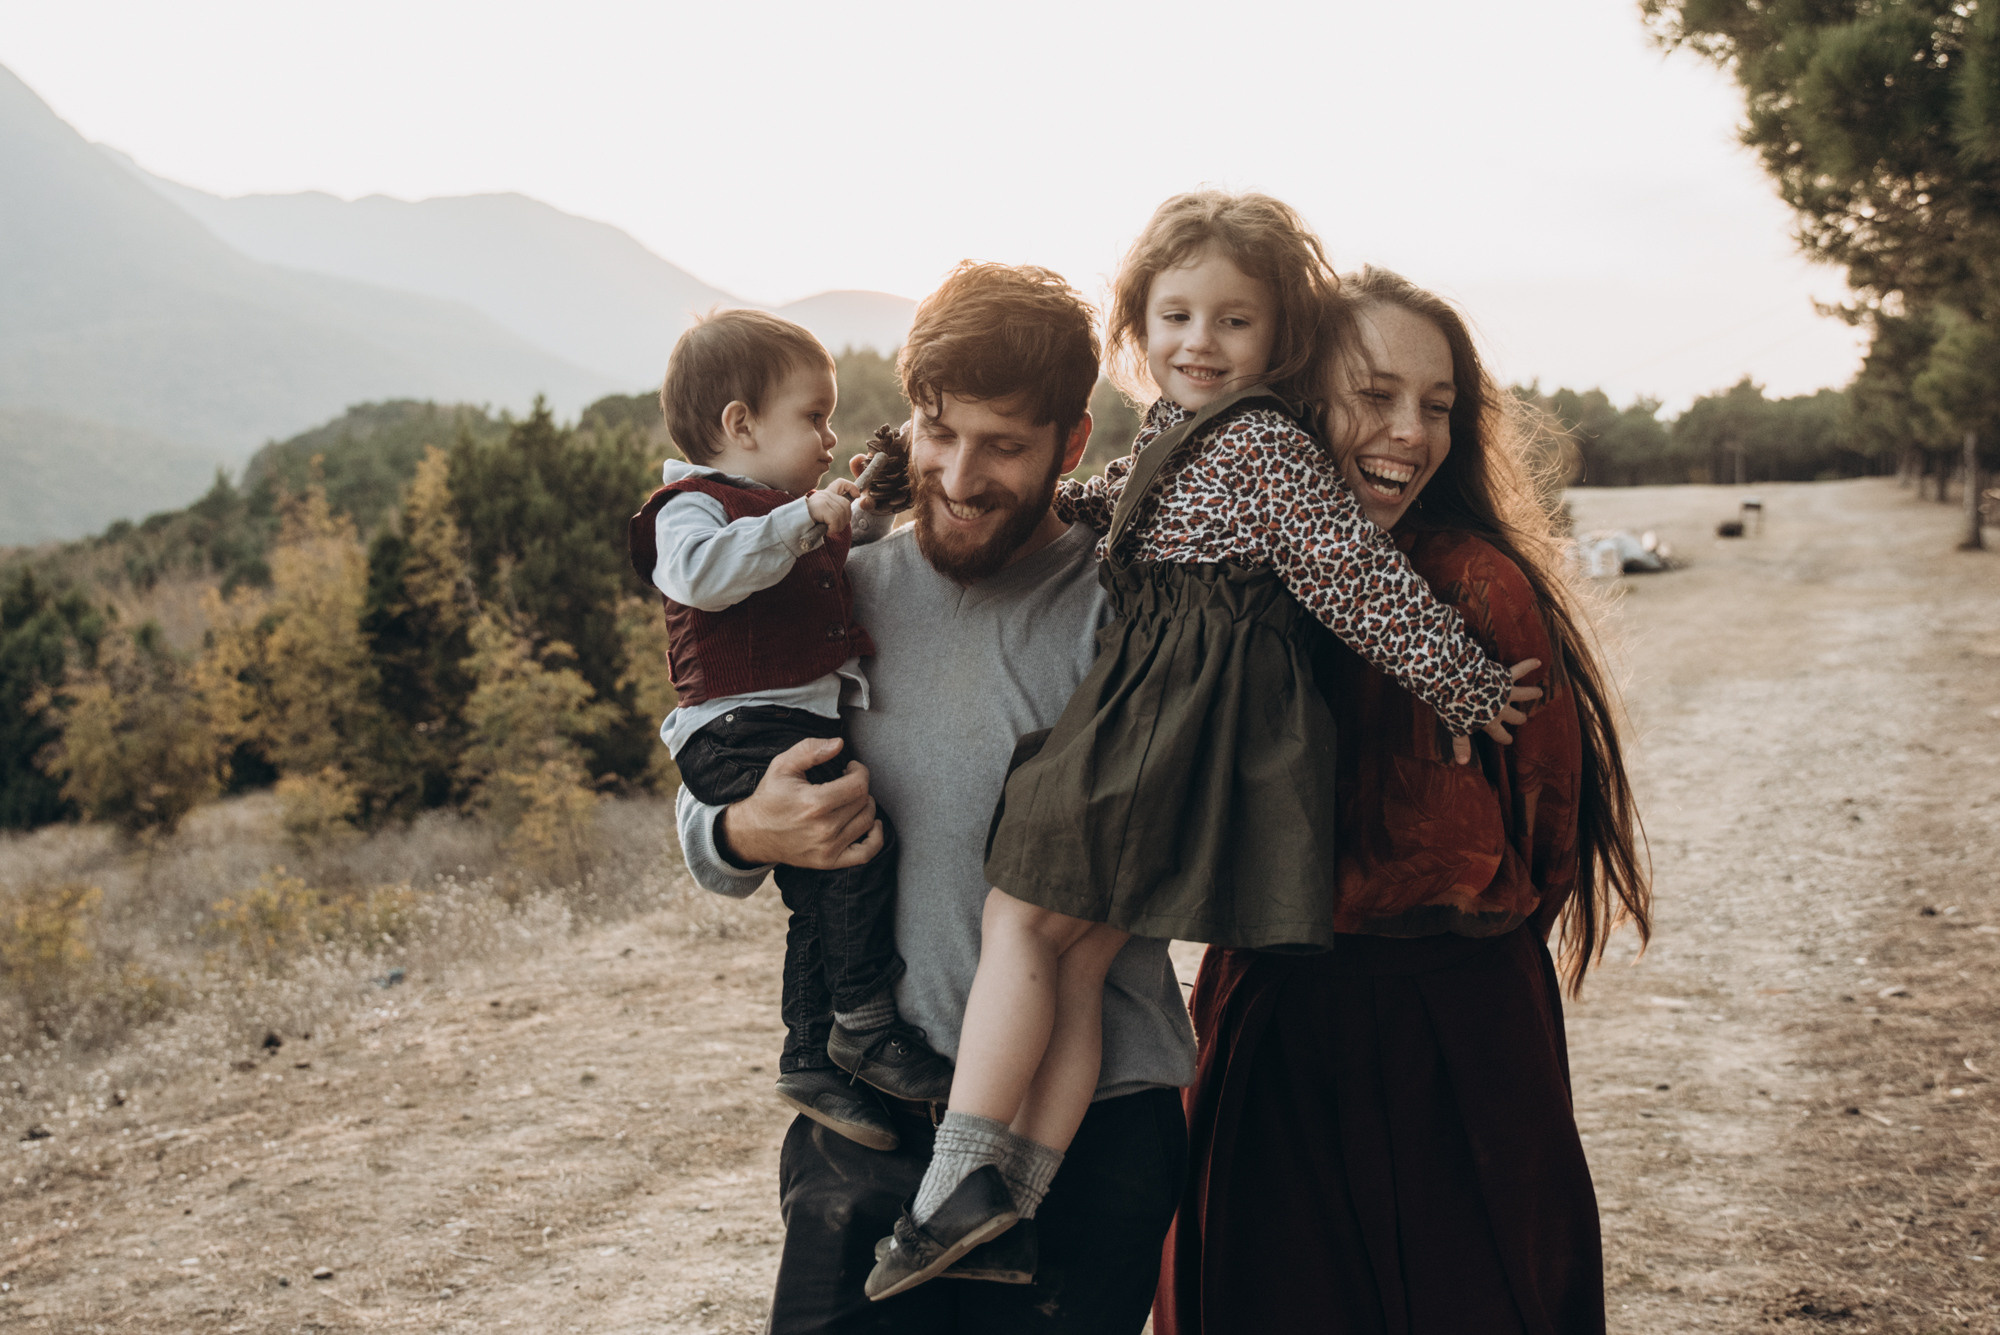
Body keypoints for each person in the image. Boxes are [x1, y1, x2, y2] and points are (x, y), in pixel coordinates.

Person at [871, 191, 1540, 1300]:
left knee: (1018, 917)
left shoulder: (1268, 445)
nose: (1199, 342)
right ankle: (1019, 1200)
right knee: (1076, 959)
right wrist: (1063, 508)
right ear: (1139, 327)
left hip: (1168, 719)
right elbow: (1119, 507)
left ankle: (956, 1177)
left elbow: (1349, 575)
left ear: (1282, 339)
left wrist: (1459, 680)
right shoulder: (1178, 437)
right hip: (1178, 724)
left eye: (1234, 321)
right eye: (1175, 316)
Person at [674, 263, 1195, 1333]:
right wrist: (733, 829)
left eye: (1002, 446)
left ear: (1071, 442)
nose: (957, 476)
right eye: (936, 431)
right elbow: (712, 753)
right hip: (867, 1121)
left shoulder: (1130, 610)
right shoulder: (831, 581)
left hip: (1084, 1132)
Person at [1153, 268, 1653, 1335]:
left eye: (1436, 407)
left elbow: (1548, 823)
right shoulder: (1220, 583)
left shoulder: (1478, 584)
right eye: (1373, 394)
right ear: (1294, 398)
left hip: (1456, 1021)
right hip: (1270, 1014)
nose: (1408, 433)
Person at [628, 309, 952, 1152]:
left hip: (778, 720)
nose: (827, 435)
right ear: (740, 424)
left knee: (826, 878)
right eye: (813, 417)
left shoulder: (780, 514)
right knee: (852, 853)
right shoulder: (689, 510)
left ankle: (811, 1054)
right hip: (736, 724)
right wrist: (806, 515)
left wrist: (866, 513)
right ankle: (862, 1021)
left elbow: (830, 574)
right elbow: (703, 576)